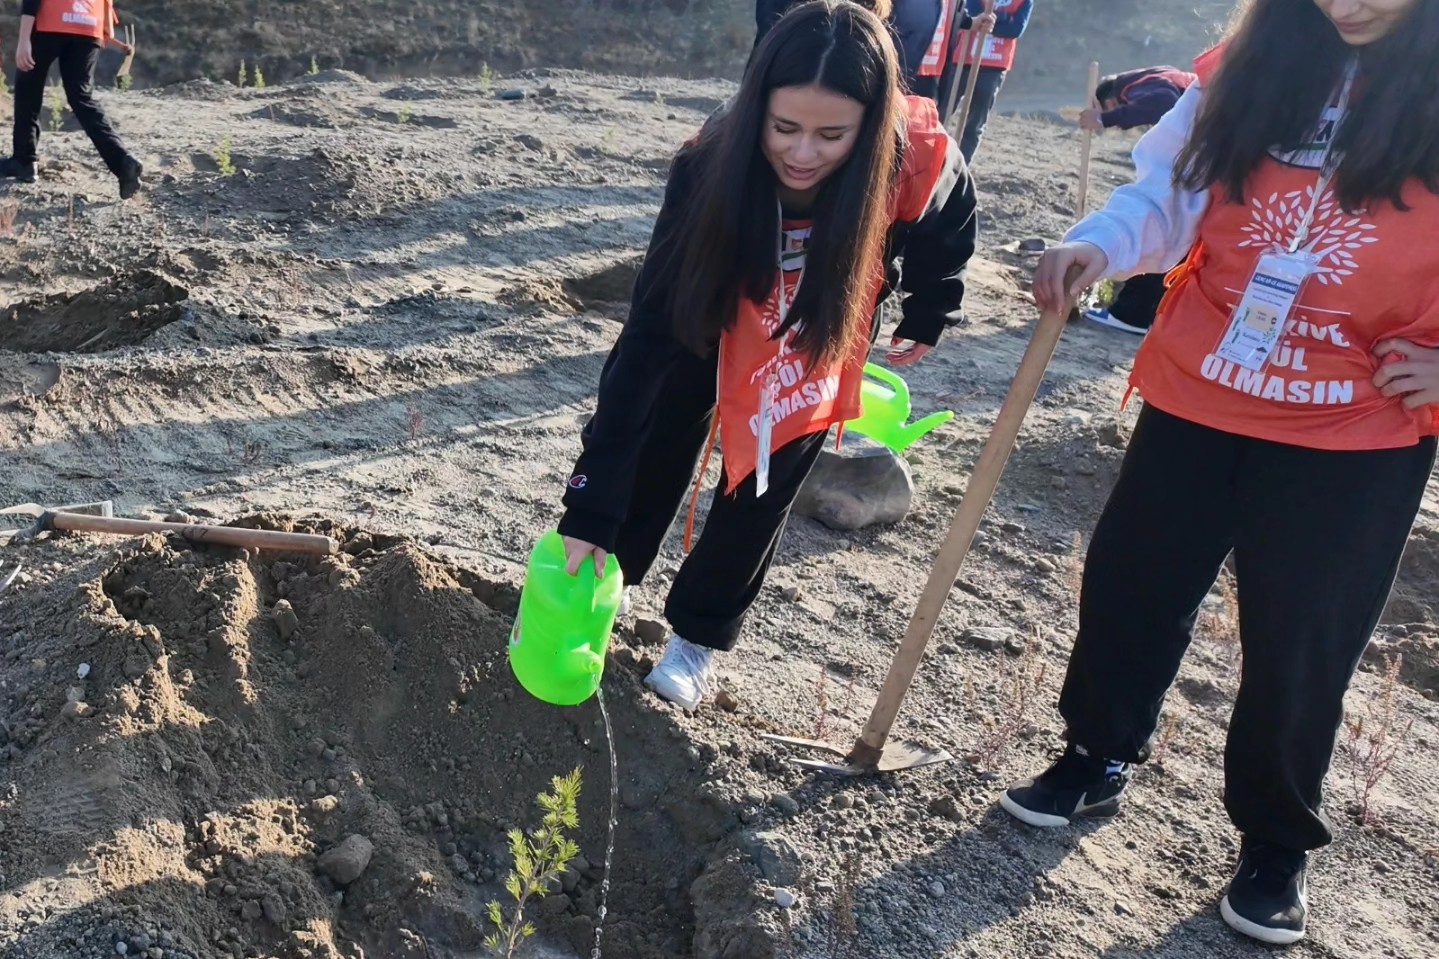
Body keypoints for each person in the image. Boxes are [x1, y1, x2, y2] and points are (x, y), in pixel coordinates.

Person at [1001, 0, 1439, 946]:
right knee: (1132, 583)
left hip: (1357, 421)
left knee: (1300, 639)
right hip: (1203, 383)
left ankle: (1275, 841)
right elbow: (1167, 196)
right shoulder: (1244, 66)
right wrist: (1099, 246)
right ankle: (1096, 753)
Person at [562, 0, 976, 711]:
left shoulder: (916, 154)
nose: (803, 152)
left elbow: (952, 217)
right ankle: (607, 585)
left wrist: (932, 305)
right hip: (718, 300)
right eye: (784, 128)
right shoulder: (708, 164)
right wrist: (590, 509)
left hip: (820, 320)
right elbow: (646, 341)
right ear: (756, 108)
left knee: (761, 481)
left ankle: (696, 637)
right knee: (661, 428)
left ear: (872, 125)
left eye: (832, 134)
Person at [1078, 66, 1198, 336]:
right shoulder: (1162, 77)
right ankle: (1153, 312)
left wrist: (1105, 119)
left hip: (1201, 161)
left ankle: (1133, 313)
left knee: (1163, 225)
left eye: (1108, 106)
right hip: (1211, 159)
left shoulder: (1137, 85)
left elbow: (1163, 103)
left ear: (1112, 96)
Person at [0, 0, 142, 199]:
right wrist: (106, 32)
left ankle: (24, 161)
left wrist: (24, 40)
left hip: (52, 20)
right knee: (81, 97)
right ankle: (123, 162)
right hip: (89, 23)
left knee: (28, 89)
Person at [936, 0, 1033, 162]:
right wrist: (1004, 18)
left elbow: (1015, 29)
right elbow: (970, 15)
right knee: (943, 112)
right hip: (964, 58)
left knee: (975, 123)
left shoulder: (1023, 1)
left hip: (994, 65)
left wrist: (991, 22)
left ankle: (960, 169)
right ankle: (932, 159)